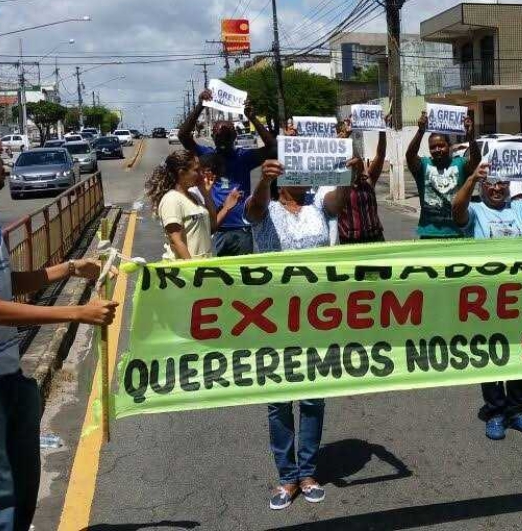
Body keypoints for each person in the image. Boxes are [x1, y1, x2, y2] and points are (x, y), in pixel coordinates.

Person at [0, 123, 117, 531]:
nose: (7, 162)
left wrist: (68, 268)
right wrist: (77, 313)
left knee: (21, 493)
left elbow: (6, 282)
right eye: (0, 155)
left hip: (6, 375)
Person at [246, 156, 359, 510]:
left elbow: (337, 200)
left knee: (312, 398)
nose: (305, 179)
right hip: (273, 317)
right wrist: (263, 182)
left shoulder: (318, 209)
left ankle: (308, 472)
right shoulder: (267, 210)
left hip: (316, 318)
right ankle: (287, 477)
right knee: (278, 401)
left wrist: (346, 173)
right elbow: (253, 209)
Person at [452, 162, 522, 440]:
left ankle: (517, 409)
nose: (496, 188)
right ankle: (495, 411)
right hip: (486, 299)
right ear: (483, 186)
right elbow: (456, 210)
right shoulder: (476, 211)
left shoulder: (519, 208)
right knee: (491, 354)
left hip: (519, 298)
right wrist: (471, 179)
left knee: (518, 353)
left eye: (502, 183)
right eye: (491, 183)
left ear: (510, 186)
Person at [179, 89, 275, 256]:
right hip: (217, 227)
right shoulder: (207, 155)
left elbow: (273, 148)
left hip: (242, 228)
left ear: (234, 137)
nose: (222, 139)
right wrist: (200, 106)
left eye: (226, 135)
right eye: (218, 135)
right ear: (214, 137)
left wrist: (252, 118)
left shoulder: (244, 156)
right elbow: (183, 136)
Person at [147, 150, 240, 261]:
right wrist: (193, 269)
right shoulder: (172, 199)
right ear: (181, 173)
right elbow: (176, 241)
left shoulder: (194, 196)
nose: (201, 174)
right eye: (196, 170)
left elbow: (212, 226)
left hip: (203, 266)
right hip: (188, 271)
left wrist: (206, 194)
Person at [406, 110, 480, 239]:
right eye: (433, 147)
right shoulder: (423, 165)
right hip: (429, 234)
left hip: (458, 233)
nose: (437, 150)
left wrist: (470, 136)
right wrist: (421, 131)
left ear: (449, 146)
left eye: (441, 146)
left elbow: (476, 161)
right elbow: (410, 155)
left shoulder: (460, 163)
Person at [335, 120, 387, 244]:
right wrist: (345, 137)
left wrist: (382, 131)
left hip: (375, 240)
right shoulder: (338, 181)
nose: (354, 163)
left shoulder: (368, 178)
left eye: (356, 160)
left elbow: (380, 154)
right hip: (350, 243)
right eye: (350, 161)